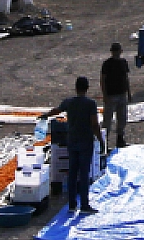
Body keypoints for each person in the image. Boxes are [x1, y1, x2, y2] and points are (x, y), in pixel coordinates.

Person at [41, 76, 103, 214]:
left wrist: (45, 115)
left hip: (72, 140)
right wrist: (101, 140)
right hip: (85, 141)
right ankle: (84, 205)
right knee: (84, 173)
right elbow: (94, 124)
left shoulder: (69, 102)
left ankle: (72, 204)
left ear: (76, 88)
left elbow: (57, 110)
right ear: (87, 88)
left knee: (73, 172)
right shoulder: (90, 103)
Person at [100, 42, 131, 151]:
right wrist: (104, 95)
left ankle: (120, 139)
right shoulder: (107, 64)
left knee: (122, 118)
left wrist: (129, 92)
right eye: (114, 51)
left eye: (117, 51)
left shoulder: (123, 62)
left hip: (122, 94)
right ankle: (104, 142)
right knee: (107, 120)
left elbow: (126, 78)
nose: (116, 53)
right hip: (111, 95)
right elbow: (103, 80)